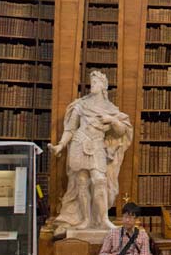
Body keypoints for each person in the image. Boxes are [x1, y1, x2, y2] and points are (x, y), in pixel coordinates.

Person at [50, 70, 133, 230]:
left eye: (95, 82)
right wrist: (60, 145)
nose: (92, 85)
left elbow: (122, 130)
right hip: (79, 143)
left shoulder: (110, 108)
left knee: (100, 181)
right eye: (91, 82)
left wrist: (112, 120)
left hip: (97, 145)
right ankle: (86, 219)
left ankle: (103, 219)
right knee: (81, 182)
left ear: (103, 86)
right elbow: (70, 129)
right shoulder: (80, 105)